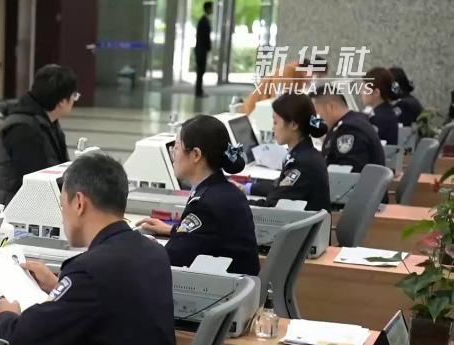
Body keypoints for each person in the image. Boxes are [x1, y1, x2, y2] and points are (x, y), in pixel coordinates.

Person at [0, 153, 180, 345]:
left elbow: (22, 341)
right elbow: (113, 300)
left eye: (63, 204)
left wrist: (7, 316)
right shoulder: (152, 250)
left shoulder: (90, 271)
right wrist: (59, 286)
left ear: (79, 203)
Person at [136, 115, 261, 276]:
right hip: (239, 287)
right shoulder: (228, 191)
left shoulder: (204, 205)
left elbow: (170, 258)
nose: (174, 155)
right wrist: (173, 230)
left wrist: (143, 245)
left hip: (217, 290)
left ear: (196, 154)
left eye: (176, 148)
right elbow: (207, 237)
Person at [0, 64, 77, 216]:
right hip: (18, 216)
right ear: (62, 101)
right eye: (74, 96)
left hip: (38, 209)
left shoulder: (47, 122)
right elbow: (37, 184)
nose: (75, 100)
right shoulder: (22, 130)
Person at [242, 94, 330, 211]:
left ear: (294, 125)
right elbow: (280, 189)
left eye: (275, 122)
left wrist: (236, 202)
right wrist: (245, 188)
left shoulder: (302, 163)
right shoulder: (305, 154)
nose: (273, 128)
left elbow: (272, 206)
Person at [312, 82, 385, 173]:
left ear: (331, 107)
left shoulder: (349, 131)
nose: (319, 118)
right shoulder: (355, 120)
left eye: (318, 113)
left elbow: (346, 175)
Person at [363, 67, 400, 146]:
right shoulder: (388, 112)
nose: (361, 92)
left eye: (365, 89)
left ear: (376, 93)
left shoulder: (376, 119)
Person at [194, 2, 213, 98]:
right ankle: (198, 91)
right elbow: (204, 37)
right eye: (211, 8)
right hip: (201, 49)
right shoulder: (204, 21)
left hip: (201, 49)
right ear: (208, 9)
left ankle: (199, 90)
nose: (212, 10)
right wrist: (208, 46)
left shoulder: (204, 20)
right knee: (200, 71)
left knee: (201, 71)